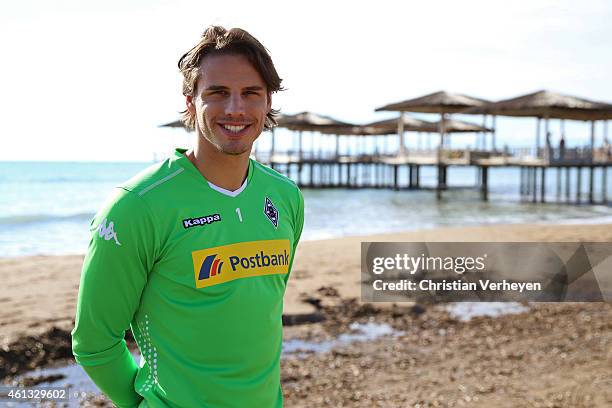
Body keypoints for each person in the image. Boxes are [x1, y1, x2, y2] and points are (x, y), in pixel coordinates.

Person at [71, 26, 304, 408]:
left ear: (267, 102)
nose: (235, 109)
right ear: (191, 102)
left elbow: (258, 313)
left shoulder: (286, 197)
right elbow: (94, 343)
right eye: (217, 93)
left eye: (250, 93)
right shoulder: (136, 206)